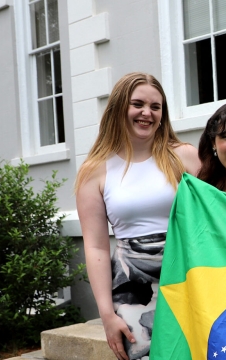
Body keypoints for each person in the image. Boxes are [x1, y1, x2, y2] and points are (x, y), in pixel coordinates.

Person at [75, 72, 201, 360]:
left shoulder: (185, 157)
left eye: (155, 107)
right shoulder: (95, 171)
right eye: (138, 104)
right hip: (133, 289)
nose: (147, 113)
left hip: (186, 275)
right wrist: (107, 314)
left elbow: (216, 214)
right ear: (120, 107)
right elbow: (95, 246)